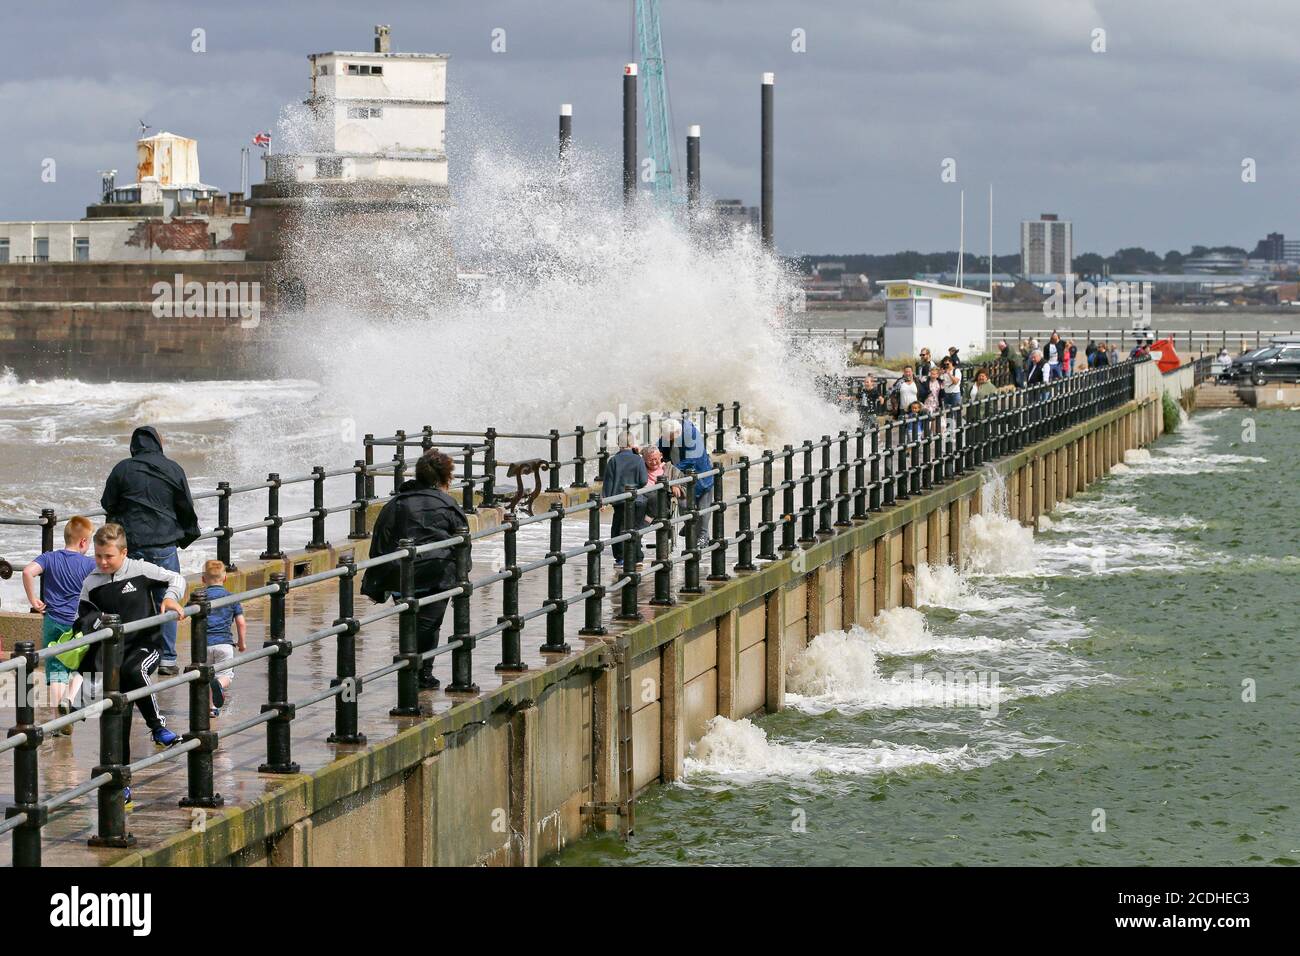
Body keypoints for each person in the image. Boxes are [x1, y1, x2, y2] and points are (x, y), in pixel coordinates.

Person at [75, 523, 187, 784]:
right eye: (98, 555)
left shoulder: (140, 570)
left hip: (146, 645)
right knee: (118, 716)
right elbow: (81, 617)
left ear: (123, 552)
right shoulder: (91, 583)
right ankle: (120, 784)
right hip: (113, 657)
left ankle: (158, 727)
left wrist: (171, 598)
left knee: (133, 670)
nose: (102, 562)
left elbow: (177, 578)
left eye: (109, 556)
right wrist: (96, 621)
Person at [360, 450, 465, 690]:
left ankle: (412, 670)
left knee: (411, 622)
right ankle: (421, 674)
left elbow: (379, 545)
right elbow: (462, 541)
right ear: (445, 478)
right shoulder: (448, 504)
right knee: (429, 626)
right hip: (437, 575)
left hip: (401, 577)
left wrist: (382, 580)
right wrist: (461, 576)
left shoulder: (395, 503)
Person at [101, 426, 200, 676]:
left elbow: (107, 502)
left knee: (129, 601)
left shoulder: (123, 468)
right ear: (158, 443)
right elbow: (185, 506)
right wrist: (185, 536)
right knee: (167, 599)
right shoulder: (173, 468)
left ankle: (131, 655)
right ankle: (167, 659)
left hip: (131, 546)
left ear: (134, 445)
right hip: (164, 544)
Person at [21, 516, 96, 727]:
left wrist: (33, 600)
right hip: (77, 622)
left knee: (56, 670)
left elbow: (27, 571)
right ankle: (70, 698)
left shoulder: (49, 558)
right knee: (84, 664)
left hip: (53, 620)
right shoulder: (89, 563)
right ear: (83, 542)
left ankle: (58, 722)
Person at [197, 559, 245, 717]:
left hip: (203, 645)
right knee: (225, 676)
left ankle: (211, 708)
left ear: (203, 579)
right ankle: (217, 688)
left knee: (206, 676)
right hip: (224, 644)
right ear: (225, 578)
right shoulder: (231, 597)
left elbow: (184, 614)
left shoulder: (199, 597)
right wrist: (241, 643)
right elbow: (241, 622)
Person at [657, 417, 715, 546]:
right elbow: (660, 450)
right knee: (683, 504)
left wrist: (671, 470)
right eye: (667, 438)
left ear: (678, 433)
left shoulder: (691, 435)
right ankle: (690, 524)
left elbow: (692, 459)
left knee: (703, 507)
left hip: (701, 474)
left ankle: (703, 536)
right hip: (681, 474)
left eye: (671, 438)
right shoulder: (669, 433)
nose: (669, 440)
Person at [603, 432, 650, 566]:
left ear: (619, 444)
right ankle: (637, 558)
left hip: (620, 501)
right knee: (635, 528)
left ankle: (621, 557)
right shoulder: (638, 459)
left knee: (618, 529)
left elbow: (608, 483)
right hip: (638, 501)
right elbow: (643, 480)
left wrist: (605, 500)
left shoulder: (613, 461)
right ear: (631, 444)